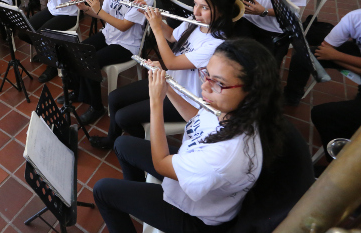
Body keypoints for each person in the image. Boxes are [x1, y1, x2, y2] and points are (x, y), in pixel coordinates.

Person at [93, 38, 287, 233]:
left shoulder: (226, 155)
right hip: (192, 163)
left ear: (251, 92)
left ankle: (132, 202)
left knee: (103, 191)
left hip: (197, 218)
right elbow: (197, 119)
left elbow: (161, 163)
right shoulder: (234, 110)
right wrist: (168, 88)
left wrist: (156, 102)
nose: (205, 87)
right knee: (122, 144)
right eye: (207, 75)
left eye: (218, 83)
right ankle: (134, 201)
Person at [89, 0, 238, 150]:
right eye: (195, 4)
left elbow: (171, 62)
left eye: (204, 7)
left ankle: (147, 146)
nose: (195, 11)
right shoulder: (196, 22)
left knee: (123, 117)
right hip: (168, 81)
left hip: (184, 98)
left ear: (221, 10)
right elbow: (172, 36)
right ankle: (113, 139)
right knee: (115, 98)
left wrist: (155, 28)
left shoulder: (216, 44)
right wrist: (151, 16)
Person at [64, 0, 154, 124]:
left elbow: (123, 25)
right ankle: (79, 90)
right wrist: (84, 8)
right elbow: (102, 15)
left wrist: (97, 10)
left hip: (127, 45)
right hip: (109, 35)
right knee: (78, 50)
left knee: (92, 60)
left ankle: (97, 107)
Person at [284, 9, 361, 105]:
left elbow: (330, 54)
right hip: (356, 52)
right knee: (301, 57)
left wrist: (336, 56)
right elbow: (325, 49)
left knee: (322, 114)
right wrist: (333, 56)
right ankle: (291, 96)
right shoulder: (354, 17)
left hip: (342, 56)